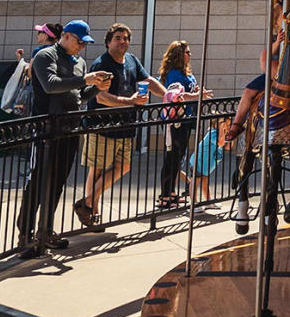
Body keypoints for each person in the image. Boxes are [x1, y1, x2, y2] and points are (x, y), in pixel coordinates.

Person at [16, 21, 103, 253]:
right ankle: (25, 234)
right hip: (47, 128)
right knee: (38, 181)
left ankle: (45, 230)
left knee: (57, 184)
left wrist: (97, 87)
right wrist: (86, 80)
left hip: (69, 129)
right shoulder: (46, 56)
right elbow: (51, 85)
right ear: (65, 36)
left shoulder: (80, 62)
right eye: (79, 42)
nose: (81, 48)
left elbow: (79, 95)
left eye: (85, 44)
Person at [77, 24, 150, 231]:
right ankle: (92, 213)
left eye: (126, 38)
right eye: (118, 38)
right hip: (102, 125)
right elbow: (101, 98)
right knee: (97, 169)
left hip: (125, 126)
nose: (122, 41)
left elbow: (148, 80)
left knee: (124, 167)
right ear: (108, 42)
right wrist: (131, 101)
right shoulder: (102, 64)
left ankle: (87, 203)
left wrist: (170, 96)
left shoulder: (132, 61)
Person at [155, 40, 205, 209]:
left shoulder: (185, 72)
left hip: (186, 119)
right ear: (178, 55)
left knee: (178, 158)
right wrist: (198, 96)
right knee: (172, 158)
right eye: (187, 52)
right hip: (175, 120)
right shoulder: (174, 74)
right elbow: (177, 97)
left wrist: (198, 93)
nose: (190, 55)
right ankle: (165, 196)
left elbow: (190, 92)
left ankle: (172, 193)